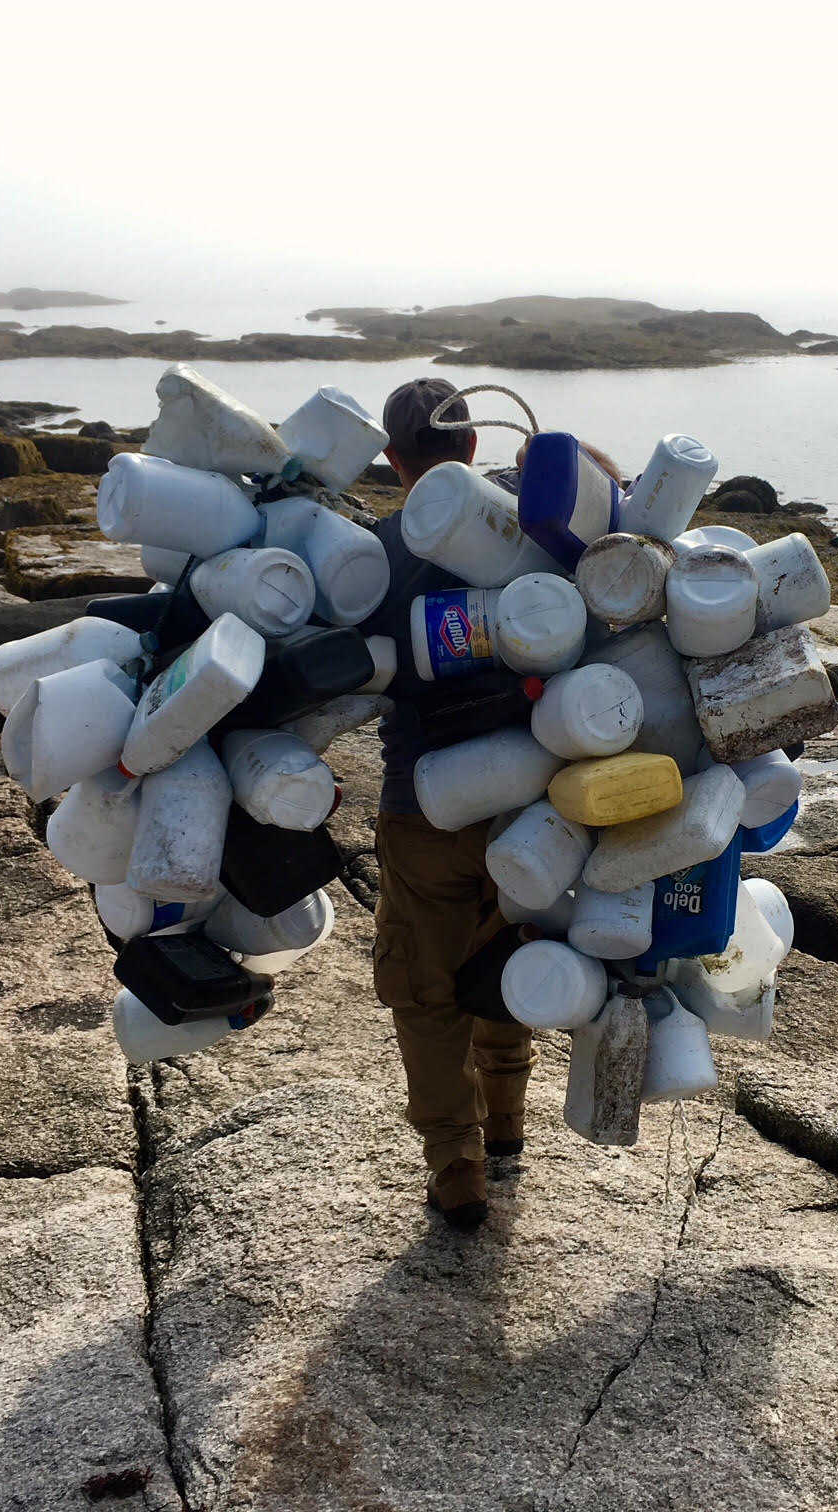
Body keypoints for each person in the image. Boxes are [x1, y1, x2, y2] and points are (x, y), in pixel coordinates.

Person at [360, 377, 619, 1230]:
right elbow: (613, 498)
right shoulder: (526, 518)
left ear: (394, 460)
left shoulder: (378, 551)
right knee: (514, 948)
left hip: (422, 806)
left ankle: (456, 1167)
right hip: (537, 801)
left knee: (425, 990)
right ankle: (506, 1127)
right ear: (474, 447)